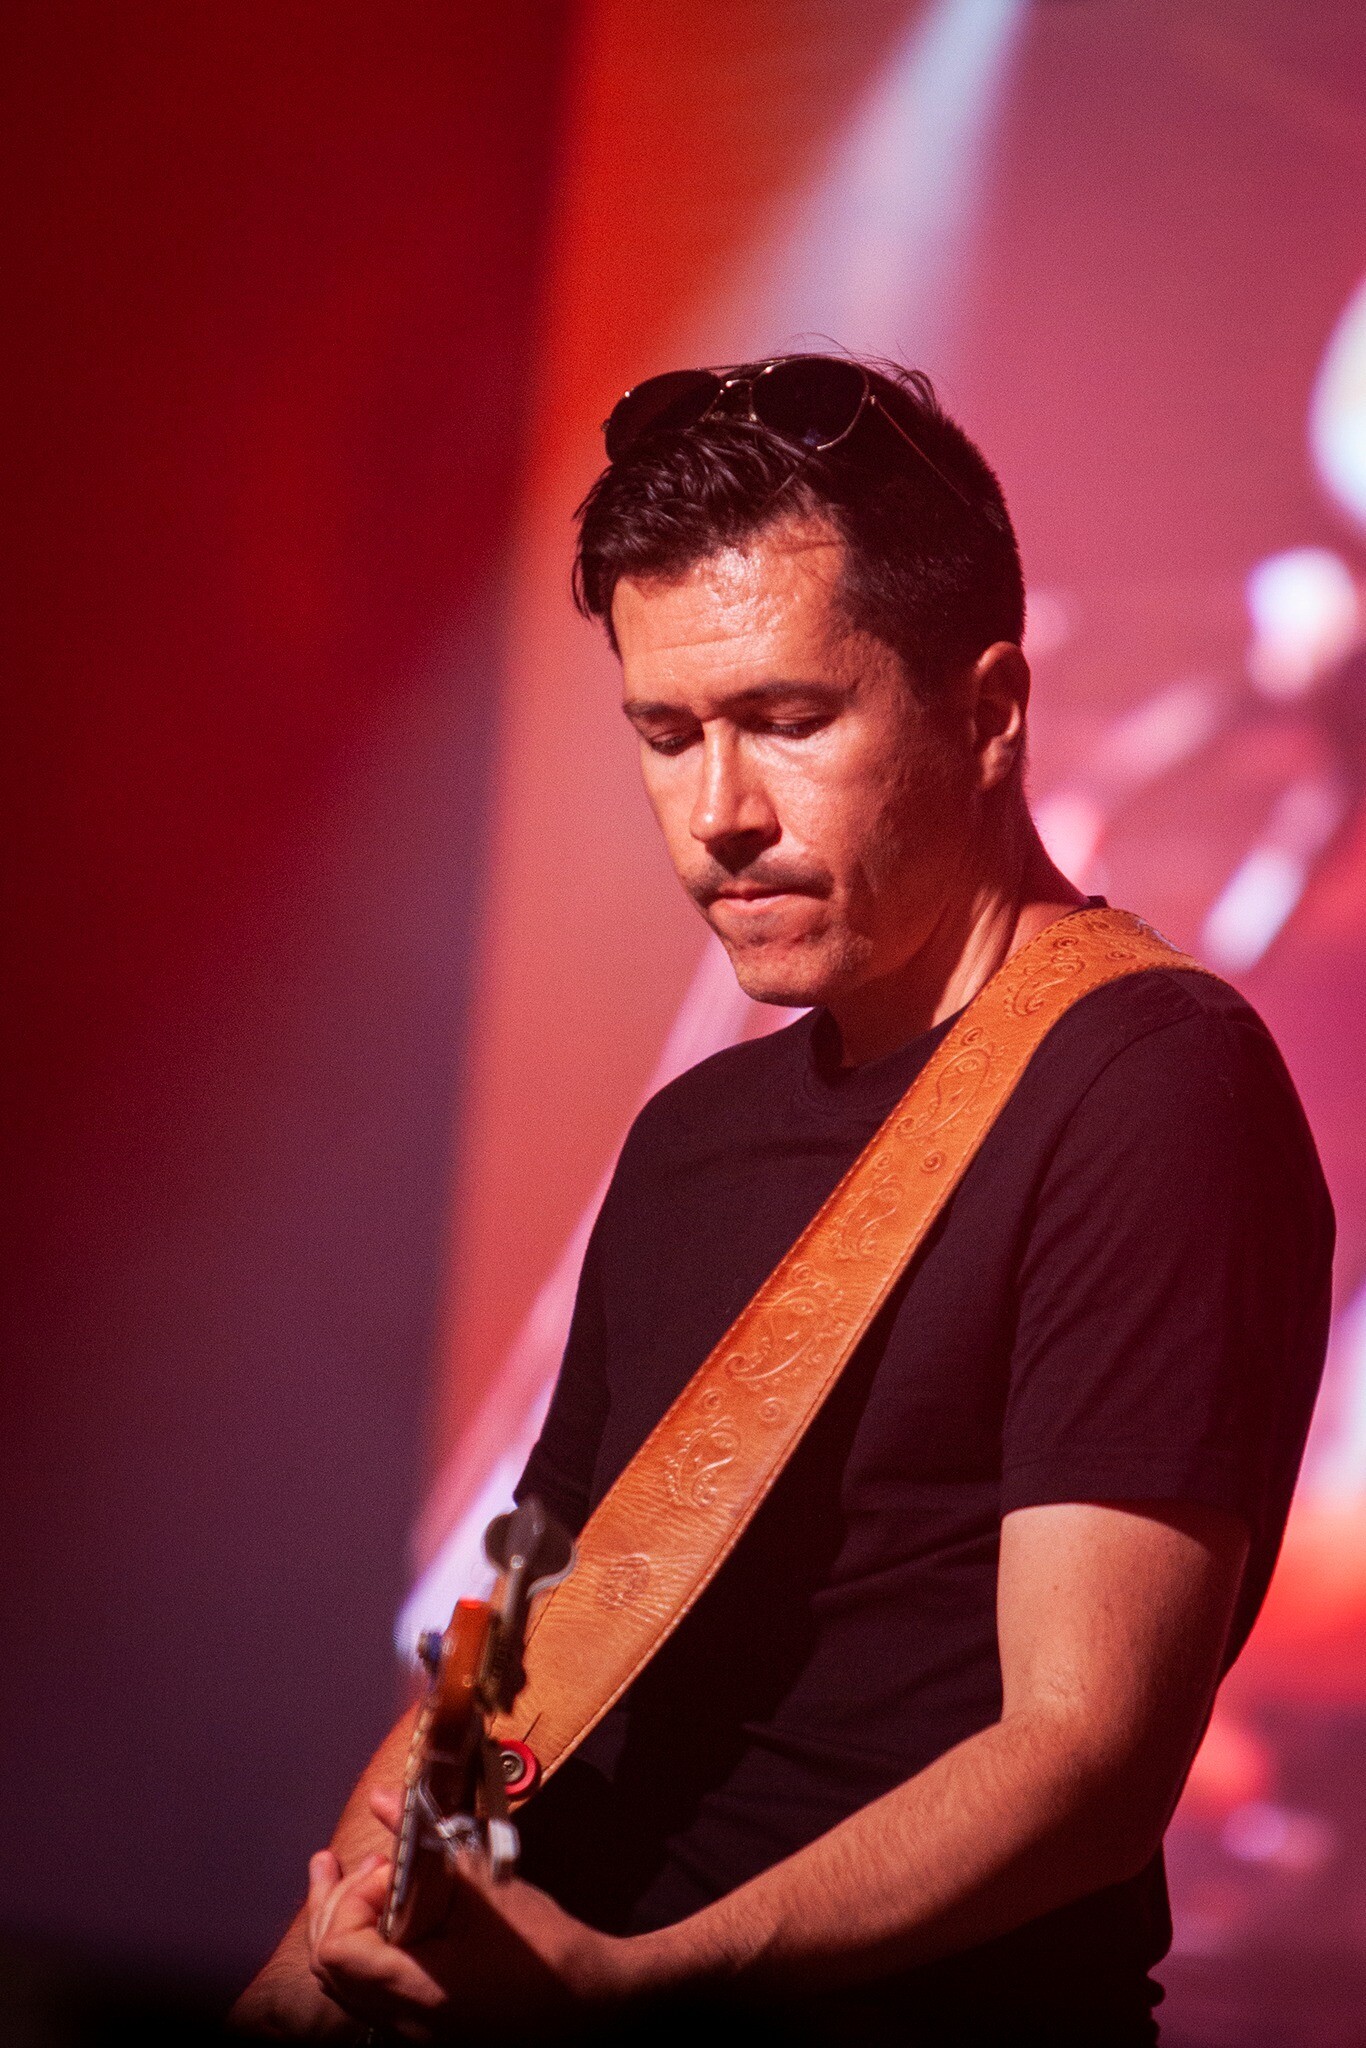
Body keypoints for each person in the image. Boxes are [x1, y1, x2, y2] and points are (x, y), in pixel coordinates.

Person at [233, 356, 1333, 2044]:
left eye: (789, 722)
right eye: (667, 736)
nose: (719, 817)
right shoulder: (691, 1140)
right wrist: (324, 1950)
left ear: (989, 711)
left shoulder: (1151, 1086)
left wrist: (646, 1987)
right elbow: (528, 1635)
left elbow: (1084, 1759)